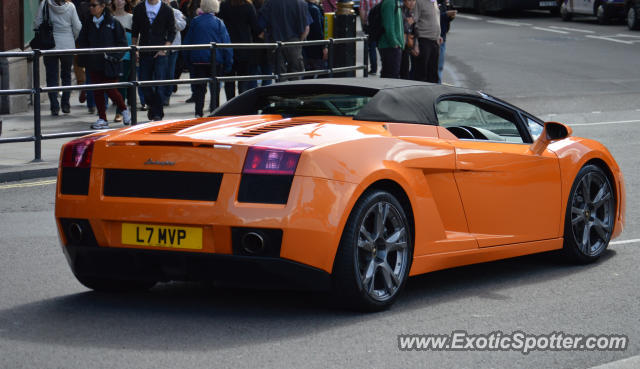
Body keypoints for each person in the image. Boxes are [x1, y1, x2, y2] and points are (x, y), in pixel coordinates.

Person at [77, 0, 132, 129]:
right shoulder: (88, 23)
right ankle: (102, 118)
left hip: (110, 63)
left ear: (102, 7)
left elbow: (122, 43)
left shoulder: (113, 22)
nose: (91, 8)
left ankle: (124, 110)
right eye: (90, 5)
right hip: (94, 62)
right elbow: (82, 41)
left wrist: (114, 57)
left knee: (111, 89)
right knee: (98, 91)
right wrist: (86, 58)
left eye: (94, 5)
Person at [183, 0, 233, 117]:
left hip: (198, 60)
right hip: (215, 60)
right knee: (215, 88)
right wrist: (228, 62)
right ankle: (214, 111)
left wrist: (188, 61)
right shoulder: (219, 23)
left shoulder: (195, 22)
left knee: (199, 88)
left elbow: (188, 42)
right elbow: (226, 44)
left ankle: (198, 113)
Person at [33, 0, 82, 116]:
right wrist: (71, 38)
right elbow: (78, 27)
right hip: (67, 45)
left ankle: (54, 106)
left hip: (49, 45)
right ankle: (65, 104)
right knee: (66, 75)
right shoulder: (70, 7)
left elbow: (37, 23)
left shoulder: (45, 4)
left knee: (51, 77)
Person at [131, 0, 176, 121]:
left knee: (160, 83)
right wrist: (135, 49)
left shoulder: (166, 9)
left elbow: (172, 31)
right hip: (144, 50)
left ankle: (157, 114)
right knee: (143, 83)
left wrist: (165, 48)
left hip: (161, 51)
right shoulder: (139, 8)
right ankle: (154, 107)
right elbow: (135, 30)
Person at [217, 0, 261, 99]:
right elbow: (255, 27)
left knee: (229, 79)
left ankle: (230, 102)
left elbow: (219, 21)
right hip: (244, 46)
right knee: (243, 79)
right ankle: (242, 102)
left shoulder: (224, 5)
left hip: (228, 45)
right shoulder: (248, 7)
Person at [259, 0, 310, 81]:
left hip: (275, 42)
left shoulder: (269, 3)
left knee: (279, 75)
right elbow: (306, 28)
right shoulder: (301, 3)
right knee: (296, 74)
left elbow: (261, 26)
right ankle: (295, 93)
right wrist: (299, 42)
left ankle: (281, 92)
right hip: (294, 41)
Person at [111, 0, 134, 123]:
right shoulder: (110, 18)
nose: (119, 2)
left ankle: (120, 112)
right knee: (111, 85)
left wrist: (136, 51)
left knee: (123, 84)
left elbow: (136, 36)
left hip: (127, 55)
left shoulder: (131, 17)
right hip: (112, 55)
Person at [161, 0, 187, 106]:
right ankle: (160, 96)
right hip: (161, 46)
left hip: (174, 46)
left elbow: (182, 26)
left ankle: (167, 95)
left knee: (170, 73)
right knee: (160, 72)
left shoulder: (176, 12)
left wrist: (172, 18)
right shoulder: (157, 12)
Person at [414, 0, 441, 83]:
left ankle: (433, 93)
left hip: (435, 41)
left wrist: (438, 35)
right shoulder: (419, 2)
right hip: (423, 40)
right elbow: (414, 23)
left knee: (433, 72)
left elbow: (435, 19)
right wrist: (415, 44)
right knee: (422, 73)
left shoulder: (434, 1)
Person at [378, 0, 404, 79]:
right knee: (391, 77)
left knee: (389, 76)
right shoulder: (390, 2)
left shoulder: (395, 2)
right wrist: (395, 43)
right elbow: (389, 26)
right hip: (389, 46)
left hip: (392, 46)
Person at [303, 0, 327, 77]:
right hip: (316, 46)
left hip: (305, 45)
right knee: (322, 72)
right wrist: (324, 47)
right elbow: (318, 30)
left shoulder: (303, 6)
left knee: (309, 71)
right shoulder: (314, 9)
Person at [359, 0, 382, 75]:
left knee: (371, 48)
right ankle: (383, 66)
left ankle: (374, 69)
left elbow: (362, 11)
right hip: (379, 24)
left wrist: (364, 24)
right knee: (380, 46)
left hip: (370, 24)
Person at [437, 0, 456, 83]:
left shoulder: (446, 2)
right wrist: (446, 15)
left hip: (442, 36)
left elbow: (446, 19)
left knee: (440, 66)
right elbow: (434, 18)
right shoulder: (434, 2)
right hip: (434, 36)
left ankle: (438, 83)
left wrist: (451, 16)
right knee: (436, 66)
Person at [400, 0, 418, 79]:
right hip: (402, 45)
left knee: (412, 68)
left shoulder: (413, 11)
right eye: (409, 0)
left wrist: (414, 45)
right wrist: (409, 23)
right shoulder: (401, 11)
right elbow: (400, 29)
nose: (412, 3)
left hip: (410, 44)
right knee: (403, 70)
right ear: (404, 1)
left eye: (413, 1)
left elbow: (415, 30)